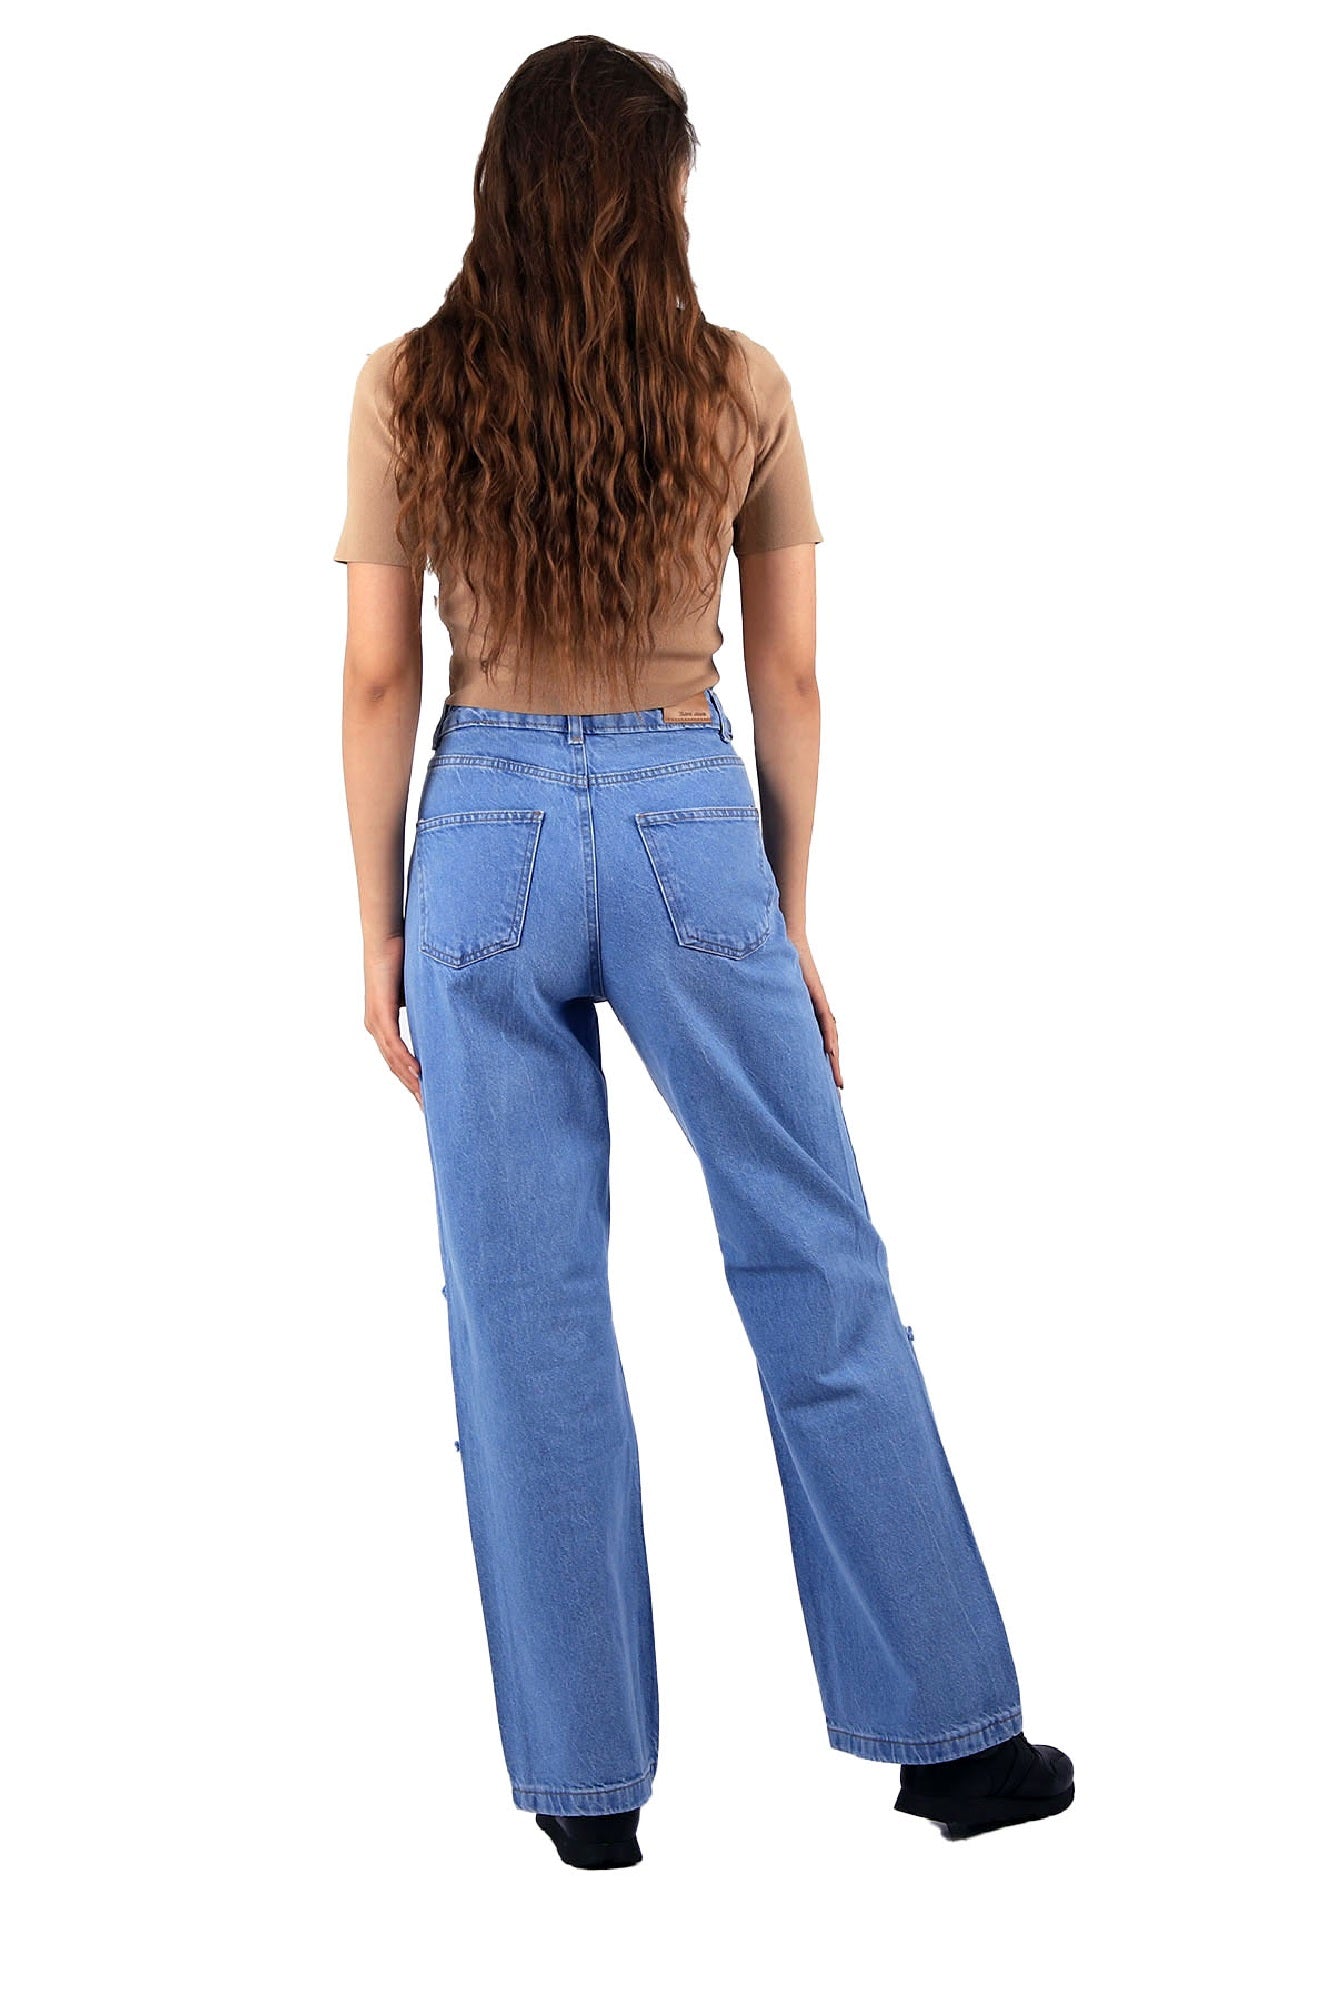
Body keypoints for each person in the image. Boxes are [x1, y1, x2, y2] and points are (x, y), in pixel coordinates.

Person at [333, 34, 1073, 1871]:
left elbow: (375, 675)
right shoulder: (739, 379)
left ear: (502, 184)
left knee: (521, 1313)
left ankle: (586, 1795)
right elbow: (795, 673)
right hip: (686, 822)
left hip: (482, 831)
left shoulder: (406, 383)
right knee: (814, 1260)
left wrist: (378, 925)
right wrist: (786, 915)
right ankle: (955, 1749)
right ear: (660, 195)